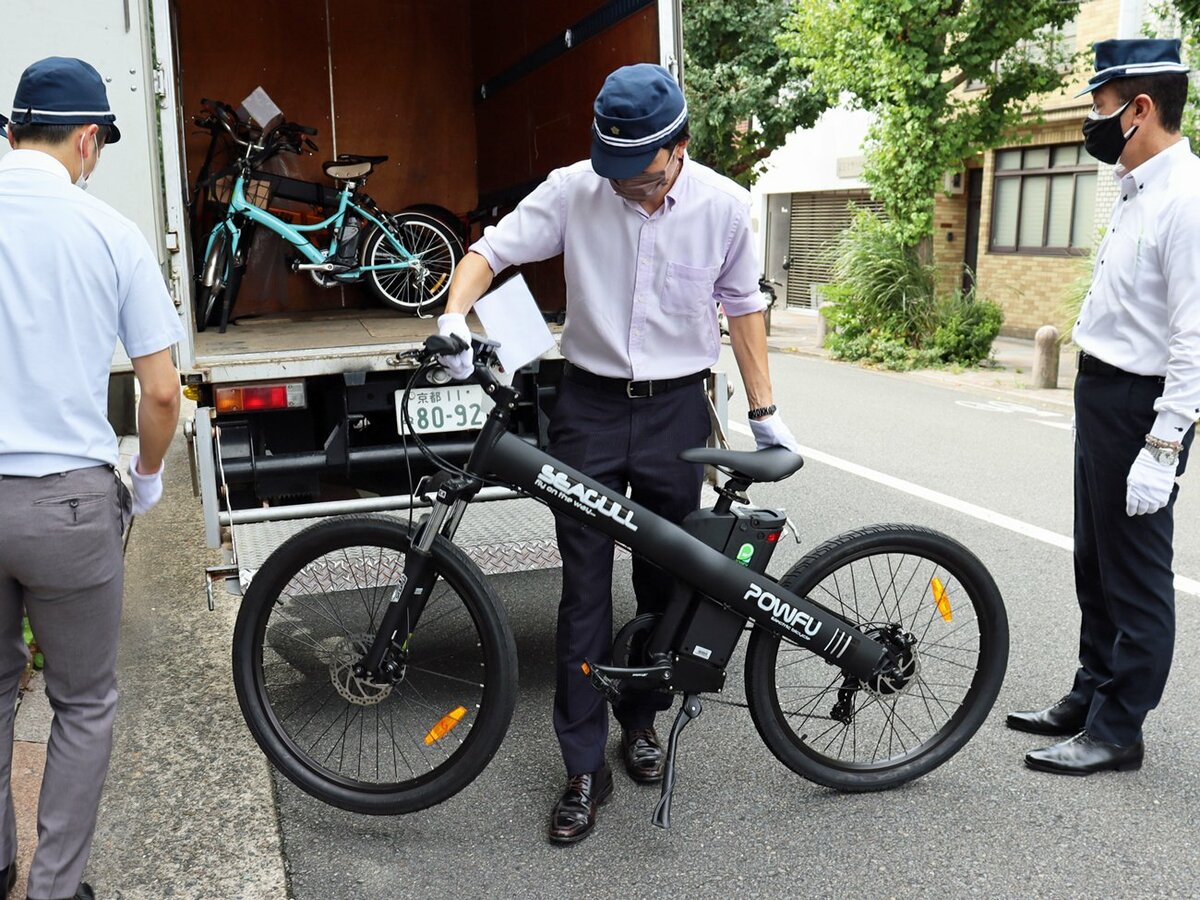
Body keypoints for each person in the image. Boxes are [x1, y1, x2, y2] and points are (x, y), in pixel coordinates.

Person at [436, 63, 800, 842]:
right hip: (590, 409)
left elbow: (742, 306)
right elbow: (489, 252)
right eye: (618, 173)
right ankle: (580, 765)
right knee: (584, 592)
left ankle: (641, 723)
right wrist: (453, 316)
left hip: (677, 413)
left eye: (644, 174)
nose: (631, 187)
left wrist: (764, 409)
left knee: (669, 583)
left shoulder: (726, 207)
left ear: (680, 148)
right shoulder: (575, 188)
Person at [0, 58, 184, 898]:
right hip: (69, 505)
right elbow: (159, 390)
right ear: (84, 138)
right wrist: (145, 479)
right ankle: (57, 888)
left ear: (11, 131)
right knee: (82, 703)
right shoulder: (109, 233)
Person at [1006, 39, 1200, 775]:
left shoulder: (1186, 198)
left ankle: (1119, 729)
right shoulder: (1136, 186)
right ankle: (1089, 695)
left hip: (1140, 403)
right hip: (1103, 391)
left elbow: (1194, 335)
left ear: (1139, 107)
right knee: (1096, 562)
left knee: (1136, 574)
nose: (1093, 120)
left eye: (1099, 106)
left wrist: (1164, 447)